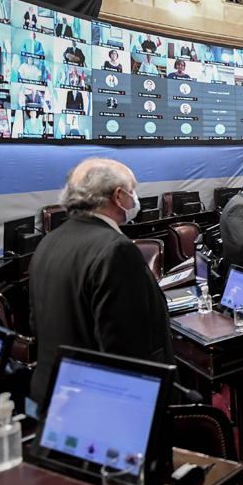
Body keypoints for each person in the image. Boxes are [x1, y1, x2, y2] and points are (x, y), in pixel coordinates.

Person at [27, 158, 174, 407]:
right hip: (104, 407)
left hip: (57, 395)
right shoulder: (115, 250)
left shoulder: (48, 242)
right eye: (133, 189)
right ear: (118, 196)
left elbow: (36, 323)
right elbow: (124, 348)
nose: (135, 197)